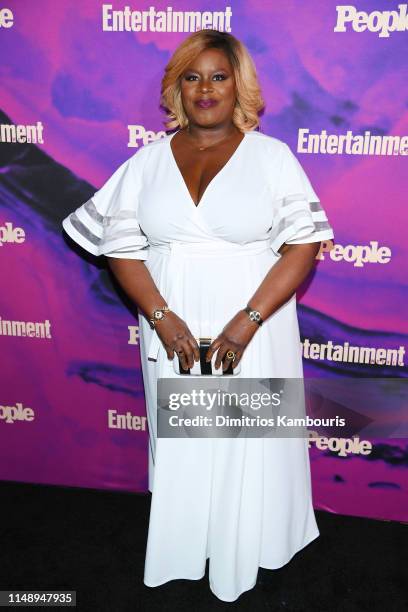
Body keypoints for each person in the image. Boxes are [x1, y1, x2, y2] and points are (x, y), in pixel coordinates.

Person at [62, 29, 334, 602]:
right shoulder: (148, 162)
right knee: (186, 437)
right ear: (176, 88)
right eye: (192, 77)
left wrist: (246, 323)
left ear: (239, 84)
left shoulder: (271, 157)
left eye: (218, 75)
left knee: (243, 440)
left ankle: (247, 550)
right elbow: (120, 248)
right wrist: (162, 318)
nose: (205, 89)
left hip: (253, 320)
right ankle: (188, 546)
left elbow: (304, 245)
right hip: (171, 323)